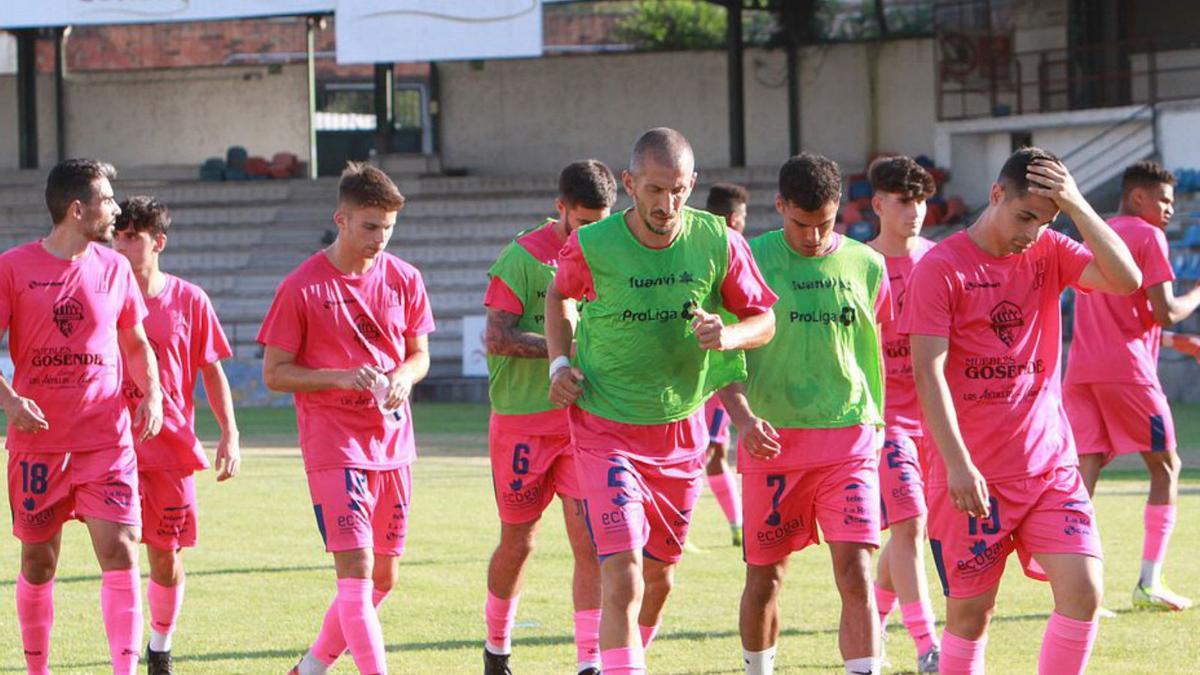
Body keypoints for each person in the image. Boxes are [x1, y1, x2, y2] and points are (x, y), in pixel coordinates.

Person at [544, 127, 777, 675]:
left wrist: (730, 335)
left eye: (677, 190)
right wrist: (559, 363)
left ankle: (627, 655)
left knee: (660, 575)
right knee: (621, 565)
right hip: (605, 426)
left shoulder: (718, 241)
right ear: (629, 184)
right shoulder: (593, 245)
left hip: (679, 431)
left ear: (692, 184)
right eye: (654, 189)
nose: (666, 204)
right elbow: (558, 296)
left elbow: (764, 319)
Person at [902, 147, 1141, 674]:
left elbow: (1127, 280)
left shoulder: (1051, 250)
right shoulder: (941, 268)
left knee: (1084, 591)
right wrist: (959, 464)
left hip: (1049, 469)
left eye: (1044, 219)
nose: (1032, 231)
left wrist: (1075, 204)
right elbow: (928, 373)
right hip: (971, 478)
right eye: (1024, 216)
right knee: (970, 618)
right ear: (996, 196)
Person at [260, 163, 434, 675]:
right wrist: (338, 378)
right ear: (342, 218)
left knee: (383, 578)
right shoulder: (302, 287)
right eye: (370, 226)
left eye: (388, 228)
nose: (380, 238)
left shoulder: (405, 279)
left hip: (394, 446)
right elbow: (274, 373)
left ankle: (310, 668)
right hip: (335, 448)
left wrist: (405, 376)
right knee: (356, 575)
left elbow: (419, 353)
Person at [720, 153, 890, 675]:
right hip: (772, 443)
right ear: (779, 207)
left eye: (825, 224)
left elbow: (871, 348)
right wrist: (744, 419)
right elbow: (725, 356)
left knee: (857, 571)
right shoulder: (748, 259)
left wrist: (877, 422)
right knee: (766, 578)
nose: (814, 237)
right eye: (801, 224)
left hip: (849, 440)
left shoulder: (868, 263)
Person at [2, 159, 164, 675]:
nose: (115, 209)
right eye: (108, 200)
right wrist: (8, 400)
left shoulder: (114, 268)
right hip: (39, 444)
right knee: (38, 562)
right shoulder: (12, 268)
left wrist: (152, 392)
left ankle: (123, 671)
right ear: (78, 209)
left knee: (121, 551)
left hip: (105, 441)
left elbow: (135, 342)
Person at [481, 160, 618, 675]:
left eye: (603, 224)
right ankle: (497, 649)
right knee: (519, 541)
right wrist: (567, 350)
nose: (594, 236)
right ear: (560, 209)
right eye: (584, 225)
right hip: (520, 424)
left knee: (591, 543)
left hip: (579, 424)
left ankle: (589, 663)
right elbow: (496, 337)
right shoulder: (522, 257)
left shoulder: (612, 255)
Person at [111, 196, 242, 674]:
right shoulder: (99, 292)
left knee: (164, 558)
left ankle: (160, 646)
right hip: (110, 449)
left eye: (132, 237)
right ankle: (124, 657)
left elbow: (212, 372)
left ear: (157, 242)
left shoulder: (189, 300)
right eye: (117, 235)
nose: (121, 244)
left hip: (169, 449)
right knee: (120, 553)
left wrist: (229, 433)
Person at [1063, 160, 1197, 611]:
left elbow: (1124, 315)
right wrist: (1198, 292)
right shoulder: (1147, 236)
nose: (1169, 211)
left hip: (1081, 369)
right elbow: (1162, 312)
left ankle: (1075, 588)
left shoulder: (1094, 231)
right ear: (1138, 197)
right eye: (1163, 200)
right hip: (1128, 372)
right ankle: (1149, 583)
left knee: (1087, 470)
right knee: (1166, 467)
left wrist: (1178, 340)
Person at [864, 156, 940, 672]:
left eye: (921, 200)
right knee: (910, 523)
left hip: (936, 416)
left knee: (914, 526)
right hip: (883, 417)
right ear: (877, 204)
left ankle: (874, 617)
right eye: (903, 200)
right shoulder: (857, 263)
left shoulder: (939, 261)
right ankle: (928, 646)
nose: (914, 211)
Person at [702, 182, 751, 546]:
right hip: (718, 368)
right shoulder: (735, 250)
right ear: (735, 218)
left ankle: (738, 525)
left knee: (708, 450)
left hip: (695, 367)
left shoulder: (695, 247)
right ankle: (738, 525)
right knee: (709, 450)